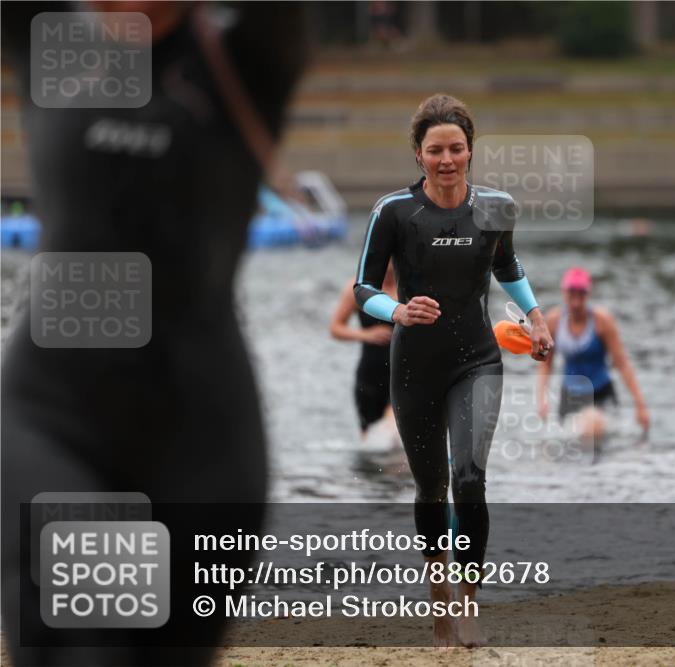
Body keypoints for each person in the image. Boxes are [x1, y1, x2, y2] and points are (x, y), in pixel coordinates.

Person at [1, 3, 308, 665]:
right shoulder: (46, 35)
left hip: (200, 441)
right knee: (87, 640)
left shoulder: (247, 59)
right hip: (51, 416)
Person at [354, 93, 553, 648]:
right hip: (414, 363)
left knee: (468, 477)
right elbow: (362, 288)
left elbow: (507, 265)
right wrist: (397, 311)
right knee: (432, 489)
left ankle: (468, 606)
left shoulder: (495, 206)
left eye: (457, 149)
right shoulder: (392, 211)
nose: (448, 160)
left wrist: (535, 318)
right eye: (435, 150)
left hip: (477, 359)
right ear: (418, 155)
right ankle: (439, 599)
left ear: (471, 151)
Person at [537, 267, 650, 445]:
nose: (576, 302)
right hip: (570, 396)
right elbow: (545, 364)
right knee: (565, 447)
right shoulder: (553, 321)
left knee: (594, 430)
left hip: (601, 392)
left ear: (588, 294)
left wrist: (640, 404)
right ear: (563, 293)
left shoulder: (602, 321)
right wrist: (542, 398)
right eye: (571, 294)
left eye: (581, 295)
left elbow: (622, 363)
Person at [329, 264, 397, 438]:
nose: (389, 268)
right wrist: (365, 334)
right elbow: (335, 328)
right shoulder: (359, 287)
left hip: (405, 374)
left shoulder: (412, 286)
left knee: (395, 435)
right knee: (370, 440)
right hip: (370, 374)